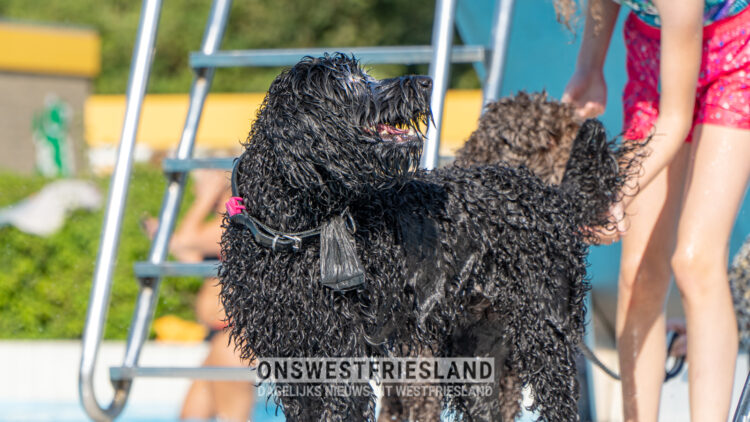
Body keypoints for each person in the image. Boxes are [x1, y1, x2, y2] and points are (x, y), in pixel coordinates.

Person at [557, 0, 750, 420]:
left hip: (736, 50)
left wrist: (614, 192)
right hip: (653, 48)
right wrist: (589, 68)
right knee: (638, 273)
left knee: (695, 261)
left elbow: (674, 122)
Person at [143, 169, 255, 422]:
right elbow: (192, 253)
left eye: (200, 183)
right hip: (220, 338)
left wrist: (205, 199)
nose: (194, 189)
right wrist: (165, 239)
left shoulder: (235, 221)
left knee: (232, 419)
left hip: (234, 339)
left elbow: (188, 241)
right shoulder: (223, 226)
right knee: (191, 416)